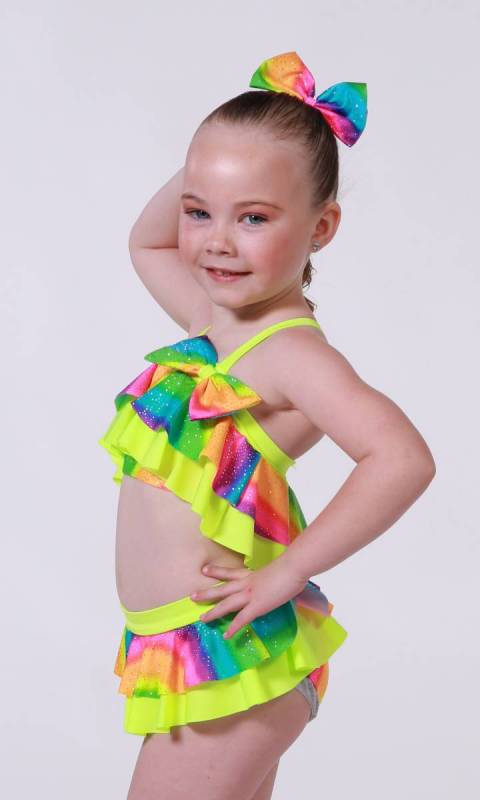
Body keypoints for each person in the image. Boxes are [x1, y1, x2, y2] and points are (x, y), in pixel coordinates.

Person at [98, 51, 436, 800]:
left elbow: (402, 457)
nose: (217, 241)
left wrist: (286, 572)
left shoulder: (289, 352)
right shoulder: (211, 320)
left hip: (234, 657)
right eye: (200, 211)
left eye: (252, 217)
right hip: (194, 655)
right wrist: (222, 160)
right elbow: (147, 242)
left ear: (322, 228)